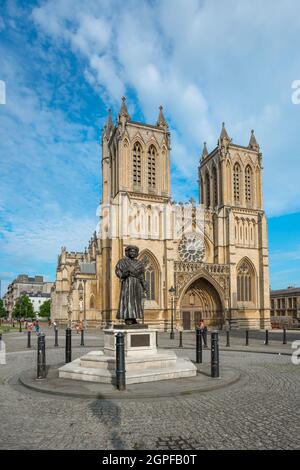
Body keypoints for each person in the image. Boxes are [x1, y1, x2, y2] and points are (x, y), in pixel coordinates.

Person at [115, 245, 147, 325]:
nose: (133, 253)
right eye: (131, 251)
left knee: (136, 301)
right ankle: (128, 317)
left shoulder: (140, 263)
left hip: (137, 284)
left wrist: (144, 286)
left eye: (134, 251)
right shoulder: (122, 262)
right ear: (127, 252)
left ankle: (134, 317)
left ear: (136, 253)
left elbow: (142, 276)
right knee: (128, 300)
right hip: (128, 283)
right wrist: (123, 274)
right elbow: (118, 271)